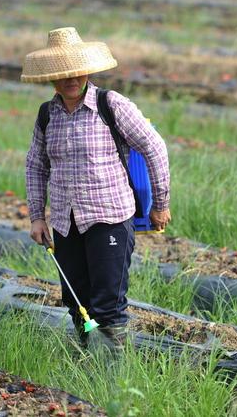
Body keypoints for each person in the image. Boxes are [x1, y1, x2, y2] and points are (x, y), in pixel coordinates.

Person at [21, 27, 171, 348]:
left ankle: (110, 373)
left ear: (86, 71)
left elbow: (154, 147)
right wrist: (37, 216)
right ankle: (88, 357)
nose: (71, 79)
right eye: (63, 74)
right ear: (52, 78)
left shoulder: (111, 105)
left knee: (108, 305)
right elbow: (36, 165)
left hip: (109, 217)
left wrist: (161, 203)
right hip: (65, 222)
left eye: (76, 72)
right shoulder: (48, 114)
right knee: (78, 303)